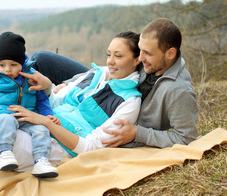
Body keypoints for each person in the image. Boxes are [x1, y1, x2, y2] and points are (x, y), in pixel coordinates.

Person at [0, 30, 142, 196]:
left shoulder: (130, 101)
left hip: (55, 146)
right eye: (109, 54)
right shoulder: (97, 73)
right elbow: (57, 99)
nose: (111, 61)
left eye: (119, 56)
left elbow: (90, 148)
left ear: (137, 60)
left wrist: (44, 122)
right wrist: (47, 87)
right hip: (35, 125)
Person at [30, 18, 199, 148]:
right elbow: (110, 66)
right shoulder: (150, 58)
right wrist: (70, 83)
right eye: (140, 51)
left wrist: (138, 133)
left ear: (170, 54)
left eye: (147, 53)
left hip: (115, 104)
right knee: (41, 59)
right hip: (108, 85)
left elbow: (186, 137)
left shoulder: (178, 91)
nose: (140, 58)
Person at [0, 31, 59, 177]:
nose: (7, 69)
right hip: (0, 115)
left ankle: (41, 161)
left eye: (13, 64)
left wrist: (49, 116)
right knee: (7, 119)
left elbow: (42, 100)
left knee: (41, 129)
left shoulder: (31, 76)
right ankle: (5, 153)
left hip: (27, 118)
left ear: (22, 63)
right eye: (2, 64)